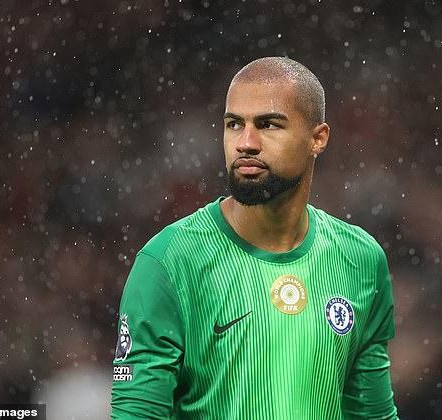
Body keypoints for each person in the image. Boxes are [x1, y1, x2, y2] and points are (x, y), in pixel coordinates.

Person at [111, 57, 398, 419]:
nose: (245, 142)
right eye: (234, 124)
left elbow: (373, 415)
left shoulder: (361, 260)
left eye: (268, 125)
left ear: (318, 139)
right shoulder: (168, 262)